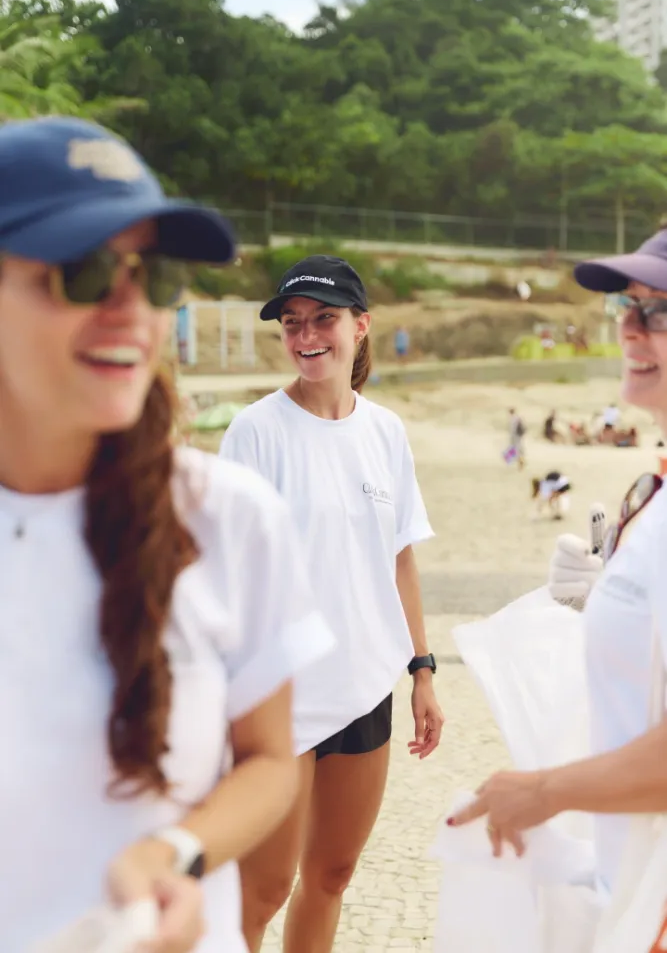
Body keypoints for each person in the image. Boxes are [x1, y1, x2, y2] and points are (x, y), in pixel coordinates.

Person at [0, 116, 333, 953]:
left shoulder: (229, 518)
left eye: (153, 276)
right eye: (81, 273)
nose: (129, 311)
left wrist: (178, 852)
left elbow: (267, 761)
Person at [219, 255, 444, 953]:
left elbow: (398, 558)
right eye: (292, 324)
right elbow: (223, 575)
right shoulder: (255, 432)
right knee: (260, 889)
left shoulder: (385, 432)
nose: (306, 335)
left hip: (364, 683)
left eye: (323, 319)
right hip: (277, 697)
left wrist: (423, 671)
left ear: (361, 326)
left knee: (332, 874)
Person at [448, 227, 667, 903]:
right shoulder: (653, 486)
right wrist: (609, 604)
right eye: (622, 308)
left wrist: (545, 791)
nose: (628, 329)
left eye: (657, 311)